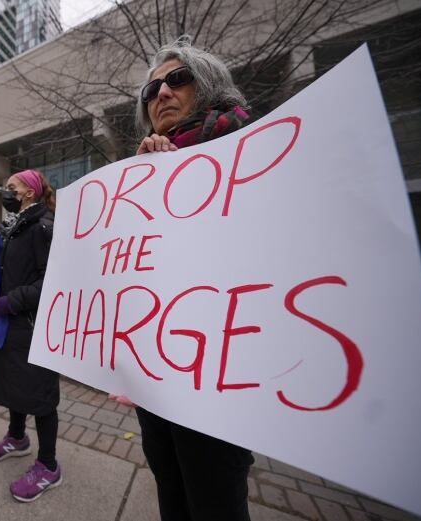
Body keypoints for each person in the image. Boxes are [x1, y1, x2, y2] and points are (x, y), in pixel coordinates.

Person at [122, 36, 254, 521]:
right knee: (171, 491)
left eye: (178, 80)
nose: (162, 93)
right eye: (152, 88)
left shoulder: (246, 150)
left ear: (209, 88)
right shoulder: (141, 170)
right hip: (156, 374)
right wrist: (141, 189)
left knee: (215, 499)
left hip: (217, 377)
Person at [0, 169, 60, 503]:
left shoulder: (42, 227)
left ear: (28, 193)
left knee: (40, 395)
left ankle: (49, 465)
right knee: (10, 383)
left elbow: (50, 281)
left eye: (11, 187)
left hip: (31, 325)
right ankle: (17, 438)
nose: (5, 192)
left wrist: (9, 302)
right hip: (8, 326)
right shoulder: (11, 228)